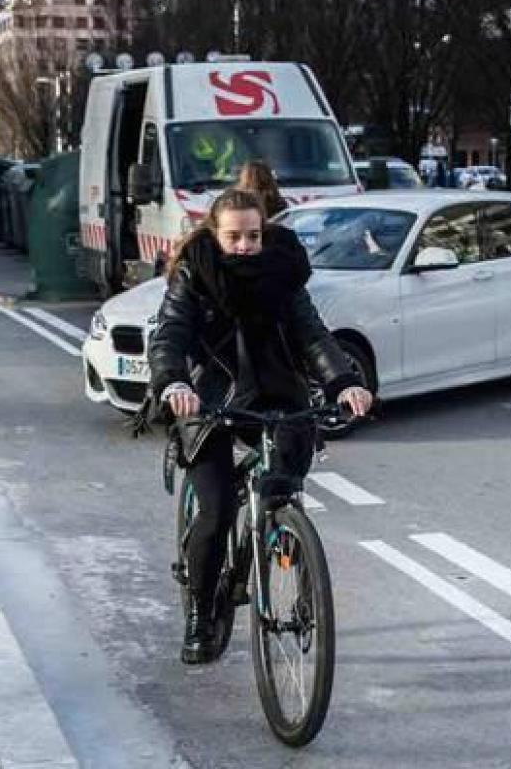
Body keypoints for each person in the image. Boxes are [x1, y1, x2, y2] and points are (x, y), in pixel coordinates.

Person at [148, 189, 372, 665]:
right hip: (211, 402)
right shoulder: (195, 271)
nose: (245, 245)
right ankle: (201, 612)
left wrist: (343, 383)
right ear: (215, 233)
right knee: (216, 508)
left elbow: (312, 335)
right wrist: (173, 382)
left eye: (253, 235)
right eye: (234, 236)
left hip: (275, 394)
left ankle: (278, 539)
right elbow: (170, 333)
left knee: (280, 485)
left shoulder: (284, 272)